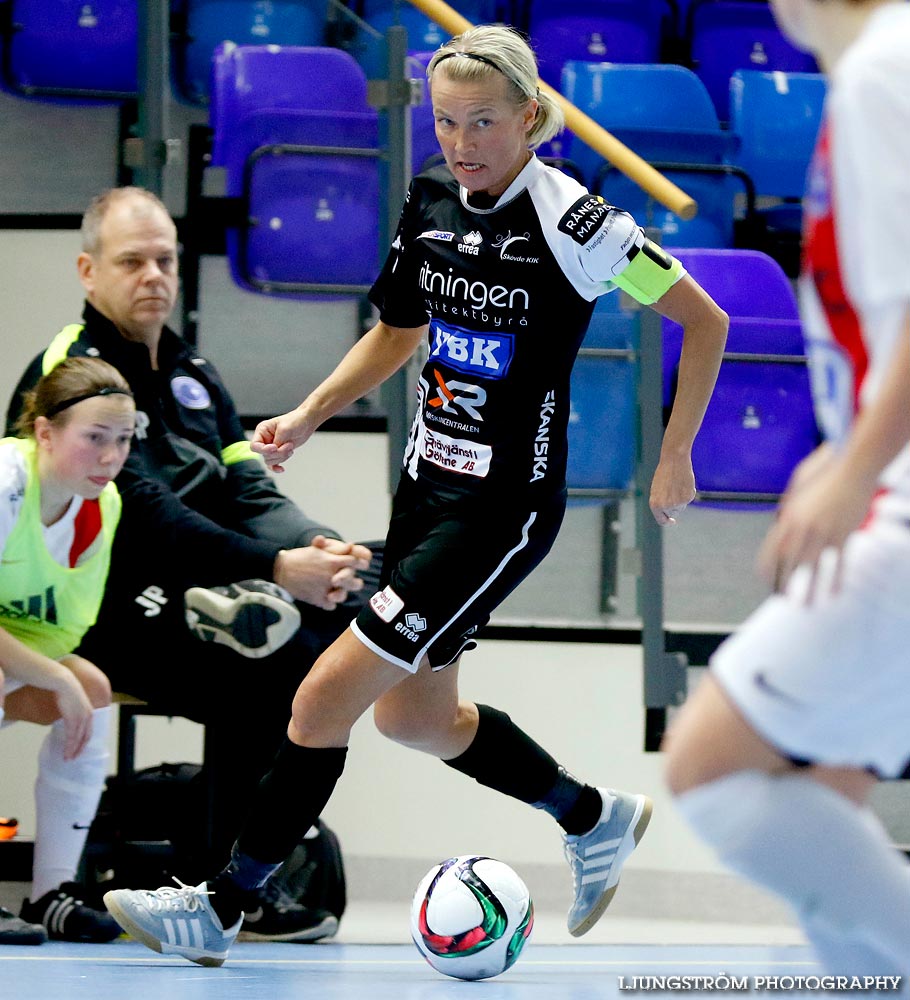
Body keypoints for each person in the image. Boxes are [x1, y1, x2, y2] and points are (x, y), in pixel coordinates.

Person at [102, 24, 728, 968]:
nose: (462, 140)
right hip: (427, 490)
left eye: (483, 121)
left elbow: (705, 320)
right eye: (445, 121)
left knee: (319, 705)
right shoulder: (431, 195)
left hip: (499, 513)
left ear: (529, 120)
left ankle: (224, 905)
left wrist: (673, 455)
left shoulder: (580, 224)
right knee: (416, 717)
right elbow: (398, 329)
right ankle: (593, 819)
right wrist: (310, 413)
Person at [5, 186, 381, 943]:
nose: (154, 276)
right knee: (268, 660)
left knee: (318, 633)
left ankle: (232, 884)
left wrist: (315, 547)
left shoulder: (194, 371)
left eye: (166, 260)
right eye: (132, 260)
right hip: (100, 608)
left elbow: (245, 483)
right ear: (88, 270)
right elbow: (148, 516)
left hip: (194, 588)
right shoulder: (76, 371)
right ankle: (226, 892)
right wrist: (276, 568)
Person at [661, 0, 910, 978]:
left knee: (708, 766)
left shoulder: (882, 72)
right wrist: (844, 446)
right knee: (823, 782)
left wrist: (854, 467)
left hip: (898, 501)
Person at [0, 357, 135, 944]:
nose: (111, 457)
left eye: (124, 440)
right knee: (69, 686)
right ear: (45, 432)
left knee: (95, 690)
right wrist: (54, 681)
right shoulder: (8, 482)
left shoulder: (100, 505)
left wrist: (61, 682)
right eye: (95, 438)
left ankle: (49, 894)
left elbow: (60, 632)